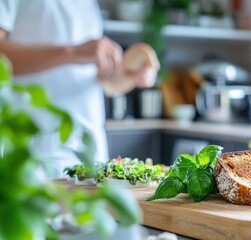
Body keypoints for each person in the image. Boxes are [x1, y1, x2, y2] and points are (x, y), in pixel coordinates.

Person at [0, 0, 159, 177]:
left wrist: (131, 74)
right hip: (35, 156)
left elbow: (94, 79)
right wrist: (72, 52)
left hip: (90, 155)